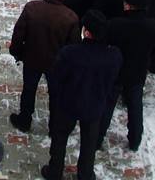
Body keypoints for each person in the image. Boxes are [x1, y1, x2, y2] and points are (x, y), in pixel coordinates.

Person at [41, 10, 122, 180]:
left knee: (60, 138)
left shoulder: (70, 53)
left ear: (86, 32)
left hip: (68, 104)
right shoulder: (113, 56)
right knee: (89, 143)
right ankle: (85, 174)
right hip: (94, 105)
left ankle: (55, 171)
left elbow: (57, 77)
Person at [9, 0, 79, 132]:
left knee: (29, 89)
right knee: (55, 94)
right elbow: (73, 45)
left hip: (32, 58)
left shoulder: (32, 8)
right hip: (56, 63)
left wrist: (16, 52)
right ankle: (54, 125)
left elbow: (19, 33)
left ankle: (25, 120)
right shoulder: (70, 17)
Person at [98, 0, 155, 151]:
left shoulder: (115, 24)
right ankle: (135, 139)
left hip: (116, 71)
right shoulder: (154, 27)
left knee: (107, 105)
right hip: (138, 71)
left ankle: (98, 137)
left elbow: (104, 45)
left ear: (127, 5)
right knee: (135, 105)